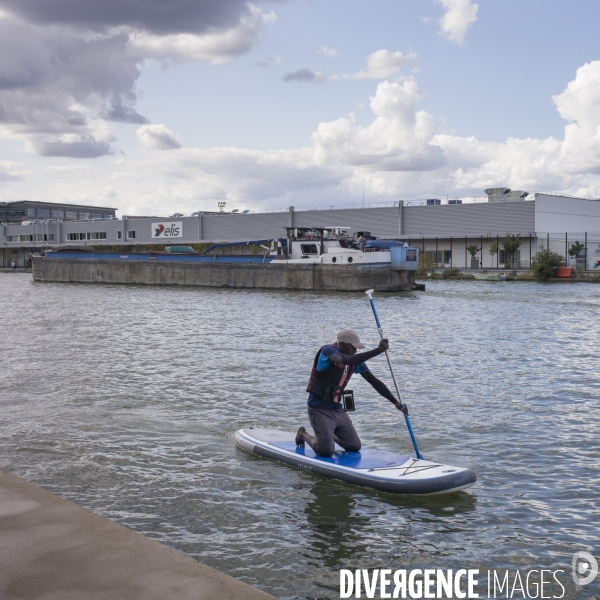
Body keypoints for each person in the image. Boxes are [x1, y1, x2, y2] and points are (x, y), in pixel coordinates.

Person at [296, 329, 408, 457]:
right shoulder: (328, 351)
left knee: (354, 446)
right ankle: (303, 434)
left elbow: (374, 381)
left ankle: (328, 434)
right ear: (342, 344)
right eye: (353, 348)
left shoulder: (355, 361)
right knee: (326, 451)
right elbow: (346, 360)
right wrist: (378, 351)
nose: (356, 351)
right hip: (318, 408)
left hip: (337, 409)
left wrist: (396, 402)